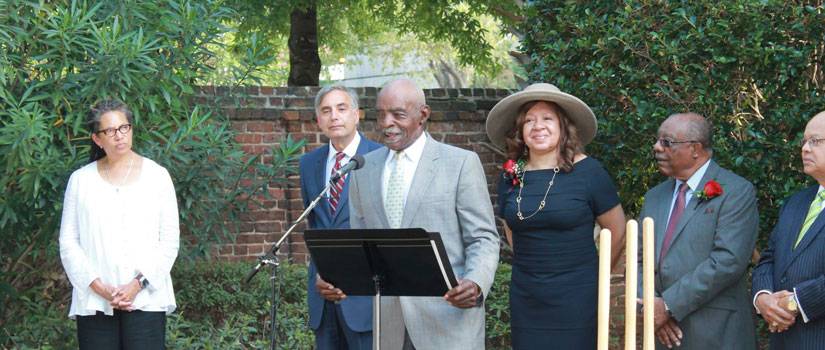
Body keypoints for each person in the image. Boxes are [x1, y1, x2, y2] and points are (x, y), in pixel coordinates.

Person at [344, 78, 500, 349]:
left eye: (398, 114)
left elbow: (484, 238)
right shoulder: (362, 170)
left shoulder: (460, 163)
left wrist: (475, 282)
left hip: (449, 321)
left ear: (423, 115)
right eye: (380, 114)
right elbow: (359, 245)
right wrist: (337, 274)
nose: (386, 123)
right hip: (388, 326)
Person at [485, 83, 626, 349]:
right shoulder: (510, 176)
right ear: (520, 131)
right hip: (527, 295)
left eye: (547, 118)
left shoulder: (589, 172)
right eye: (529, 120)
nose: (538, 126)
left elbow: (617, 230)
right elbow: (511, 228)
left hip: (577, 295)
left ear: (563, 126)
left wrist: (595, 277)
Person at [59, 99, 180, 349]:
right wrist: (99, 287)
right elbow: (69, 242)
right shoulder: (81, 181)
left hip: (146, 299)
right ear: (97, 139)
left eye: (124, 128)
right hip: (96, 301)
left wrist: (137, 285)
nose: (119, 136)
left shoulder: (157, 177)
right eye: (110, 131)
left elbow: (169, 242)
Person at [639, 112, 758, 349]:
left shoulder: (736, 192)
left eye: (666, 142)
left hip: (716, 331)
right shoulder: (654, 197)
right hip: (663, 335)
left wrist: (669, 306)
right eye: (658, 140)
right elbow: (639, 258)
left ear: (695, 149)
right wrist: (651, 305)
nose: (656, 147)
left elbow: (727, 261)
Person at [300, 86, 381, 349]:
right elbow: (315, 226)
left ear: (357, 115)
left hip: (366, 300)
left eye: (341, 108)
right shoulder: (308, 163)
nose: (334, 116)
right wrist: (320, 277)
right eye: (326, 111)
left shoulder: (381, 158)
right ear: (318, 121)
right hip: (324, 296)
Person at [752, 111, 825, 349]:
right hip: (783, 340)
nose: (804, 148)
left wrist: (795, 303)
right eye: (804, 141)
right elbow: (768, 259)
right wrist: (763, 298)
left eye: (815, 141)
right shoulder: (795, 203)